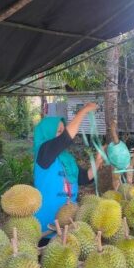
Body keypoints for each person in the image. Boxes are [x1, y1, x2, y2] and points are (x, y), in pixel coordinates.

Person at [33, 102, 103, 241]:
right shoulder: (43, 153)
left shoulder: (66, 159)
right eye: (58, 131)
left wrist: (98, 162)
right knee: (48, 258)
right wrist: (83, 111)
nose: (61, 135)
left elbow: (84, 178)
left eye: (62, 131)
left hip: (69, 221)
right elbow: (65, 139)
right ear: (48, 132)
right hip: (46, 224)